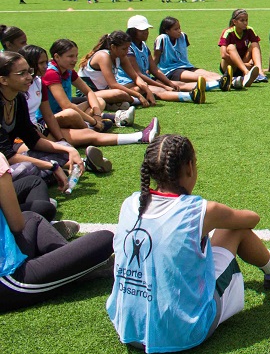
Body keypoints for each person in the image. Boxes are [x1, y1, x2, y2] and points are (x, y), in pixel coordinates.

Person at [107, 134, 270, 353]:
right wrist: (214, 220)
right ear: (190, 167)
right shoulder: (200, 210)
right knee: (234, 229)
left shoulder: (130, 203)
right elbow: (252, 218)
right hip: (182, 331)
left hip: (128, 326)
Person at [0, 151, 114, 312]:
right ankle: (79, 271)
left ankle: (74, 267)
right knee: (106, 238)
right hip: (9, 279)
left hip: (8, 259)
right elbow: (17, 225)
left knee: (32, 218)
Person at [23, 44, 158, 149]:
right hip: (39, 128)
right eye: (70, 56)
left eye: (75, 56)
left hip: (45, 125)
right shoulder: (48, 75)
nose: (75, 60)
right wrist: (94, 122)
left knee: (97, 104)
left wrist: (97, 117)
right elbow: (63, 107)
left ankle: (135, 133)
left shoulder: (38, 82)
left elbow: (88, 93)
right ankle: (128, 130)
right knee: (77, 119)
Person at [0, 51, 84, 188]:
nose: (29, 77)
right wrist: (52, 166)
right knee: (27, 168)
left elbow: (32, 139)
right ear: (3, 80)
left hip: (9, 160)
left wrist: (69, 149)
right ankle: (44, 177)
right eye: (22, 73)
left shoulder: (18, 99)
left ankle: (43, 177)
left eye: (29, 71)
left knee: (63, 148)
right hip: (3, 164)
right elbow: (7, 155)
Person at [116, 19, 207, 105]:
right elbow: (137, 74)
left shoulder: (143, 45)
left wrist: (169, 83)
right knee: (159, 90)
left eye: (146, 29)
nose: (146, 32)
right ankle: (191, 96)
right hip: (129, 82)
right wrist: (164, 86)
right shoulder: (128, 48)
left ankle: (214, 85)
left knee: (177, 84)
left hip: (144, 79)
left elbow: (154, 69)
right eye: (142, 30)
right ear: (133, 31)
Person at [155, 17, 245, 90]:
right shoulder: (162, 38)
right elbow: (156, 58)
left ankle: (234, 80)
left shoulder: (183, 36)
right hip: (171, 71)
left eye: (179, 28)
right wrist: (153, 73)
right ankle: (228, 83)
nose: (179, 31)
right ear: (167, 31)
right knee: (200, 77)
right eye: (175, 29)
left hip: (186, 66)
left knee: (209, 74)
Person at [79, 32, 150, 107]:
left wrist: (148, 91)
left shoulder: (121, 56)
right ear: (113, 47)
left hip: (105, 91)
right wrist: (138, 95)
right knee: (119, 94)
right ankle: (135, 101)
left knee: (142, 86)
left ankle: (114, 103)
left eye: (128, 48)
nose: (127, 52)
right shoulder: (103, 56)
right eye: (124, 49)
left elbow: (135, 77)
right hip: (88, 93)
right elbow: (113, 85)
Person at [218, 9, 266, 84]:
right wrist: (242, 65)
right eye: (242, 20)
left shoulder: (249, 30)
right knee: (231, 47)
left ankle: (260, 72)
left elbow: (257, 49)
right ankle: (247, 73)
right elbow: (224, 55)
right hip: (230, 66)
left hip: (243, 62)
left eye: (246, 20)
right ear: (234, 22)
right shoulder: (228, 32)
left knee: (254, 44)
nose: (245, 23)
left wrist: (251, 61)